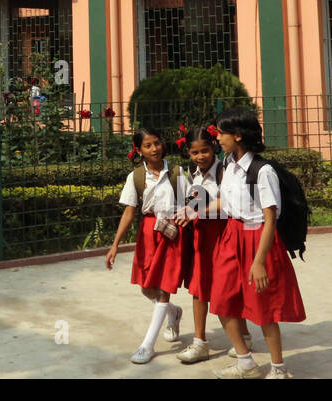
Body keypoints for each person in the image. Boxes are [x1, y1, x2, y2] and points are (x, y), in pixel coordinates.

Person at [210, 107, 305, 379]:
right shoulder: (227, 164)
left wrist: (259, 261)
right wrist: (192, 209)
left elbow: (270, 218)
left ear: (238, 135)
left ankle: (278, 369)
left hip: (258, 239)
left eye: (221, 132)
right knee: (221, 301)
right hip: (232, 235)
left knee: (264, 309)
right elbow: (224, 203)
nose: (217, 137)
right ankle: (246, 362)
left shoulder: (261, 171)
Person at [106, 126, 185, 363]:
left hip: (172, 234)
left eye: (157, 143)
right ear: (138, 150)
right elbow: (129, 213)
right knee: (146, 288)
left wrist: (182, 216)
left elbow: (191, 202)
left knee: (163, 289)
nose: (155, 149)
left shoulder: (178, 173)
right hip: (148, 234)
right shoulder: (136, 177)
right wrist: (115, 245)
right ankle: (173, 312)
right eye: (148, 145)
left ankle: (147, 345)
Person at [174, 123, 251, 364]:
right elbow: (188, 201)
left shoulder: (226, 171)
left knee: (230, 287)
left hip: (224, 235)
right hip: (201, 237)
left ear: (214, 147)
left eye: (204, 150)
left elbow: (229, 203)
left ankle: (245, 335)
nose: (200, 156)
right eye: (194, 152)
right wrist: (184, 211)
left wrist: (199, 211)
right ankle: (199, 342)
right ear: (188, 152)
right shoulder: (189, 173)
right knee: (199, 287)